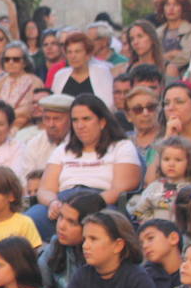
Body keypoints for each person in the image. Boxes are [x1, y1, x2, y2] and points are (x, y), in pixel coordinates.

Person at [30, 95, 141, 240]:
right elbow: (45, 188)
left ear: (102, 122)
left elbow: (121, 188)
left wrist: (83, 206)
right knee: (27, 221)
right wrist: (53, 203)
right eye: (75, 120)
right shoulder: (57, 148)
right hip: (63, 201)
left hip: (100, 202)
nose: (80, 126)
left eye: (86, 119)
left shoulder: (121, 146)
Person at [130, 136, 191, 224]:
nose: (171, 164)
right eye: (166, 159)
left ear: (189, 163)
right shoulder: (154, 187)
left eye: (178, 160)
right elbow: (138, 211)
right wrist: (150, 221)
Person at [0, 42, 43, 129]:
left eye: (16, 59)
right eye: (7, 59)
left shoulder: (35, 82)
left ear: (25, 62)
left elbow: (29, 109)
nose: (11, 62)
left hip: (26, 129)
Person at [51, 32, 113, 106]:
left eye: (77, 51)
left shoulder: (102, 72)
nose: (73, 56)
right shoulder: (60, 75)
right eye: (69, 52)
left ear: (88, 54)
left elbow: (108, 104)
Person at [158, 81, 191, 169]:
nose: (171, 108)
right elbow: (149, 179)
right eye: (166, 103)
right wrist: (167, 139)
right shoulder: (162, 138)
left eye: (179, 102)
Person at [138, 219, 182, 288]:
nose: (144, 246)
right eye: (141, 243)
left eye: (150, 238)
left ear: (173, 238)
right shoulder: (143, 277)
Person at [124, 86, 164, 171]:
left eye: (150, 107)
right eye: (138, 109)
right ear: (128, 116)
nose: (145, 113)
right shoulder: (124, 141)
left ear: (158, 109)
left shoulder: (168, 137)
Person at [157, 0, 191, 69]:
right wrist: (171, 54)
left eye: (176, 4)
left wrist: (164, 58)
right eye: (167, 5)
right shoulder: (158, 32)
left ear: (183, 8)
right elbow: (154, 59)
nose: (171, 8)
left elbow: (187, 57)